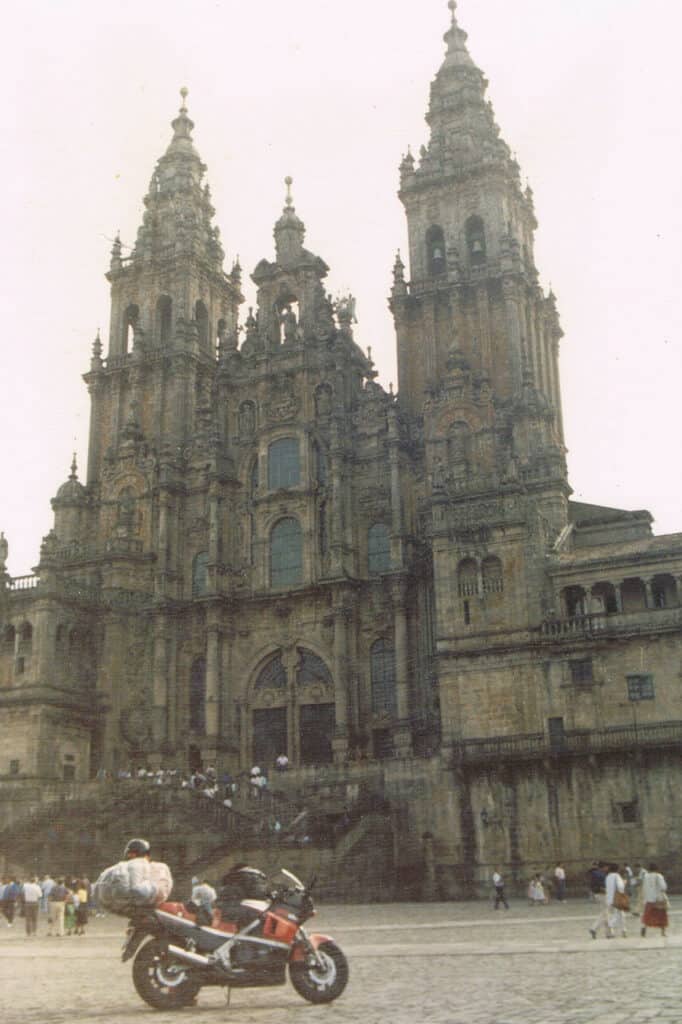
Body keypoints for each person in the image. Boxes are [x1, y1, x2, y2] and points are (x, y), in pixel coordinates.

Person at [640, 863, 668, 937]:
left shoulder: (646, 876)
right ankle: (663, 932)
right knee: (661, 916)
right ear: (657, 869)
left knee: (647, 916)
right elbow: (663, 887)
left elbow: (644, 888)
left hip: (649, 899)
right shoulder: (659, 876)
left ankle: (644, 927)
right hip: (658, 899)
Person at [604, 864, 627, 938]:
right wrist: (624, 883)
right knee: (618, 915)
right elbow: (620, 887)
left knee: (620, 915)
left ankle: (623, 931)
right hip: (616, 899)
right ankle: (611, 925)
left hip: (609, 898)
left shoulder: (608, 877)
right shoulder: (617, 876)